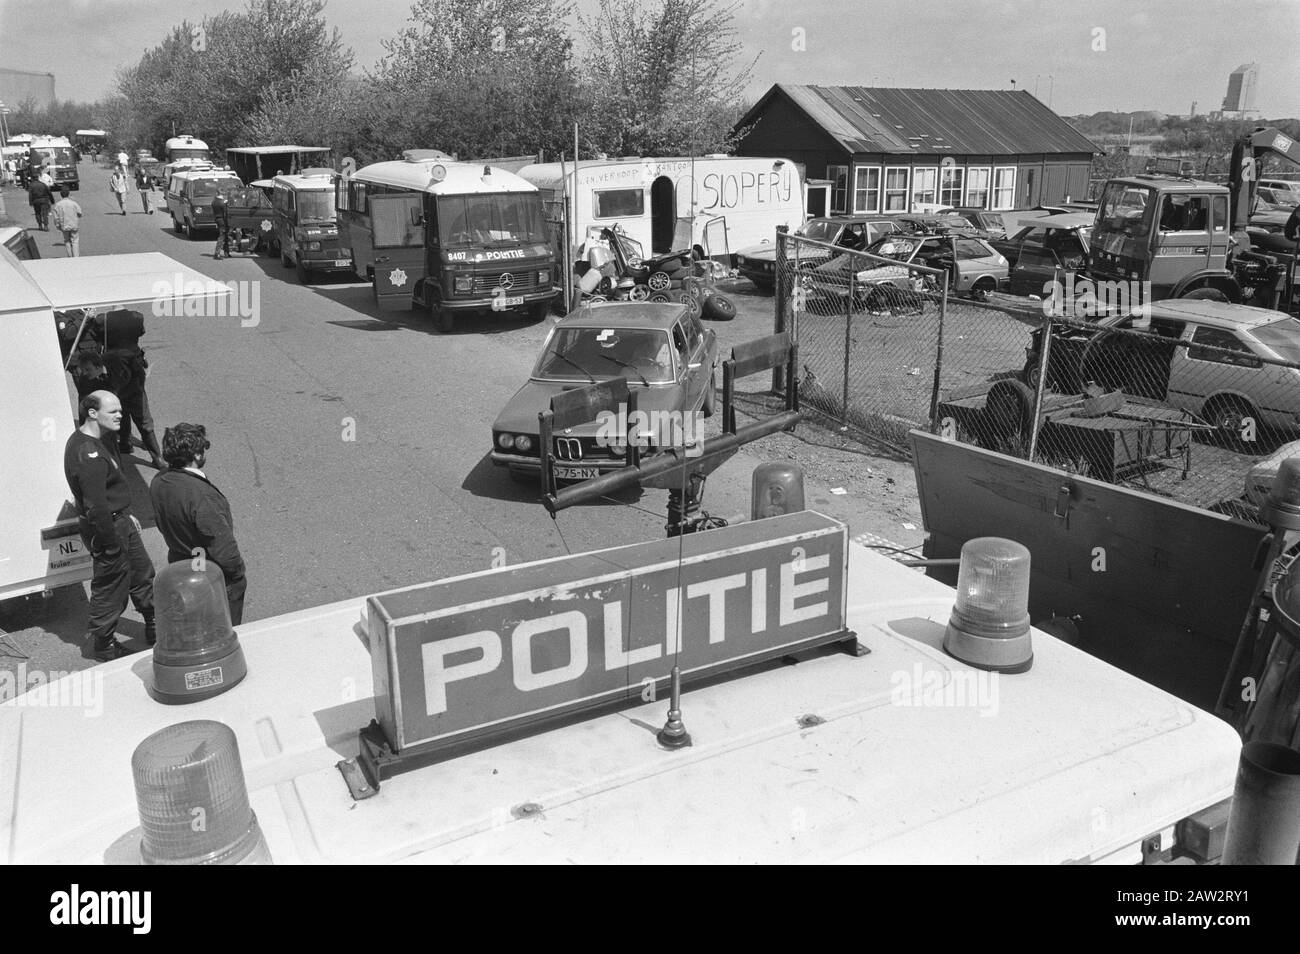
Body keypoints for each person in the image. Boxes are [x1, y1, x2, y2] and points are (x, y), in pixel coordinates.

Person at [64, 391, 156, 662]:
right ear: (93, 413)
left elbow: (111, 489)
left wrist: (125, 513)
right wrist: (110, 545)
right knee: (111, 586)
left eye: (120, 410)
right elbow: (96, 506)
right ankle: (105, 645)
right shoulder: (87, 452)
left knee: (141, 572)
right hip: (108, 529)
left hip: (120, 521)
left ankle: (154, 623)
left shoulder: (102, 439)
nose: (120, 416)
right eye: (113, 411)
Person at [149, 424, 248, 625]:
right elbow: (222, 546)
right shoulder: (202, 496)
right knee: (222, 629)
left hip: (181, 565)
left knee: (196, 623)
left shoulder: (159, 481)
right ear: (196, 454)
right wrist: (237, 574)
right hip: (210, 575)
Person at [101, 309, 166, 470]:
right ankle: (157, 457)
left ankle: (125, 442)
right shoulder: (137, 317)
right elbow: (141, 332)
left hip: (114, 376)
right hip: (134, 378)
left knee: (119, 411)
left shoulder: (102, 320)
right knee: (144, 419)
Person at [51, 185, 83, 257]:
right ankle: (76, 256)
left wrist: (57, 225)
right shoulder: (73, 203)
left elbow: (56, 218)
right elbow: (80, 213)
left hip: (64, 225)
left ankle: (70, 256)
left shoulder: (58, 205)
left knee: (67, 240)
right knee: (75, 240)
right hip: (74, 225)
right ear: (69, 193)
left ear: (61, 194)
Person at [212, 189, 231, 259]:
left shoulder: (214, 201)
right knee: (222, 236)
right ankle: (217, 253)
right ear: (223, 194)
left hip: (217, 219)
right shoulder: (222, 203)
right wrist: (226, 204)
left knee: (225, 236)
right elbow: (225, 213)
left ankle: (226, 252)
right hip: (223, 220)